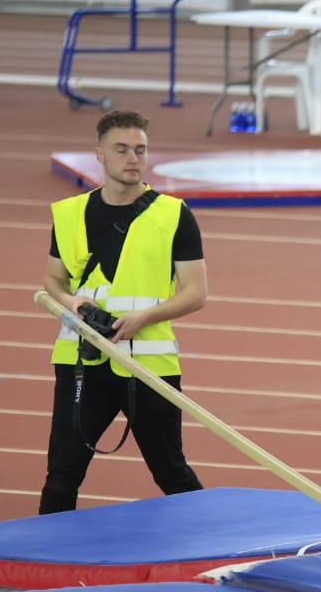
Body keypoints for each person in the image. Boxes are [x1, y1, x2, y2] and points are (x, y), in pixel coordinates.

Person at [41, 109, 207, 514]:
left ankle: (210, 543)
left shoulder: (173, 215)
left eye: (140, 149)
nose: (133, 158)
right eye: (122, 149)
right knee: (63, 471)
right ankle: (42, 562)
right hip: (82, 360)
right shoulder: (69, 214)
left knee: (170, 470)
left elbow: (196, 293)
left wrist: (143, 319)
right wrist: (70, 303)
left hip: (148, 365)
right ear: (99, 154)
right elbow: (53, 282)